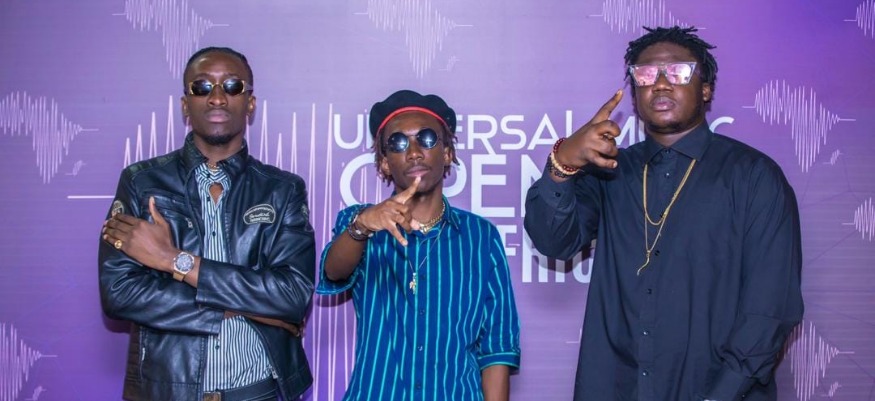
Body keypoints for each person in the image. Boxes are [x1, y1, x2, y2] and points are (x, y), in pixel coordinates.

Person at [524, 26, 803, 401]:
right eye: (645, 74)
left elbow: (770, 309)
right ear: (635, 93)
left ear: (706, 89)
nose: (659, 83)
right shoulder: (610, 172)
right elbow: (553, 242)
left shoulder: (753, 177)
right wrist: (562, 165)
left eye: (677, 72)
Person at [98, 47, 316, 401]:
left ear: (250, 103)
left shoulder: (283, 190)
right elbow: (119, 292)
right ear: (185, 105)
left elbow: (292, 295)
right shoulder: (142, 182)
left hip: (257, 392)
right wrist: (239, 307)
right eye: (201, 87)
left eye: (232, 86)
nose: (217, 97)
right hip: (169, 392)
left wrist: (174, 261)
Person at [317, 90, 521, 401]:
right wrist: (362, 226)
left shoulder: (481, 237)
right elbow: (334, 272)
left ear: (447, 153)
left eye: (426, 139)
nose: (413, 152)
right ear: (384, 163)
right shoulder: (360, 223)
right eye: (398, 143)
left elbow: (497, 348)